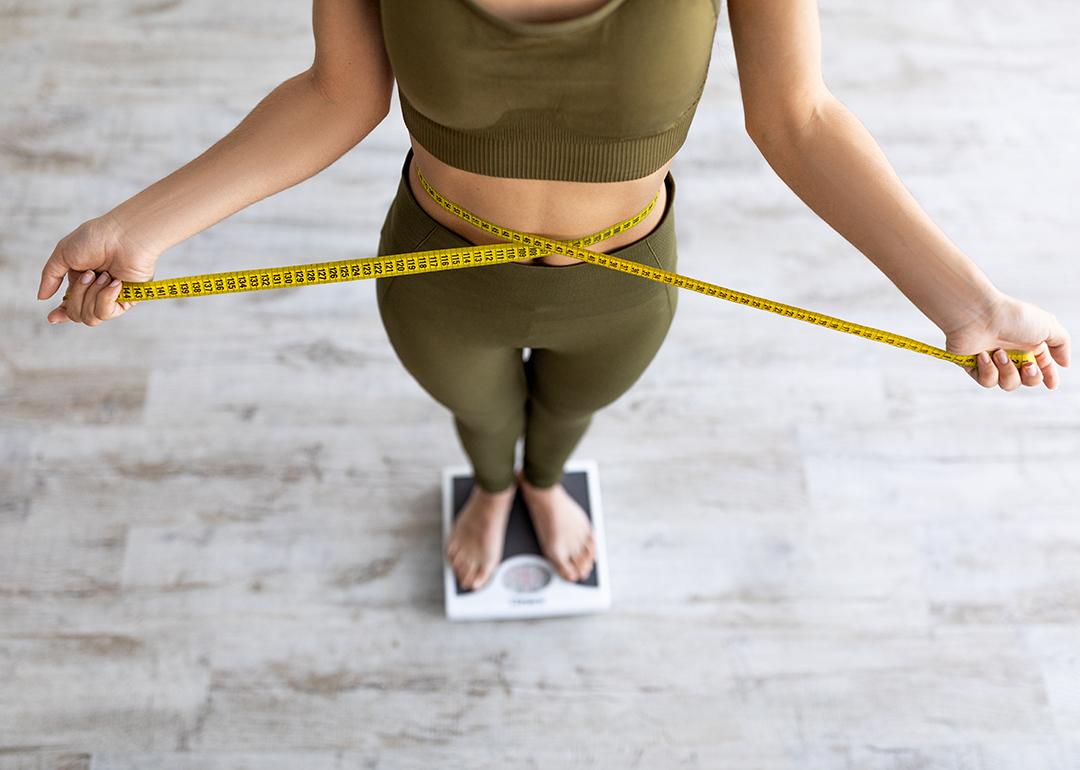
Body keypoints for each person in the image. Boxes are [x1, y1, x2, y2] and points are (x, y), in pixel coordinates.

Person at [36, 0, 1071, 593]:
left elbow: (797, 117)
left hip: (625, 282)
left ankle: (542, 480)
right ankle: (496, 486)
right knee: (479, 416)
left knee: (571, 414)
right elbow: (335, 94)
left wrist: (968, 301)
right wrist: (140, 227)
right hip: (437, 276)